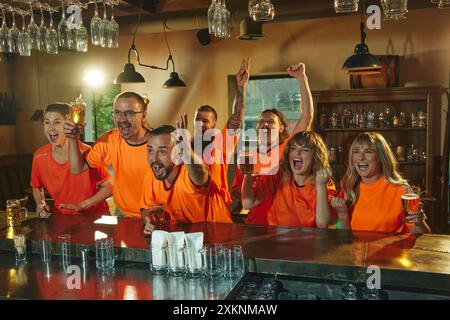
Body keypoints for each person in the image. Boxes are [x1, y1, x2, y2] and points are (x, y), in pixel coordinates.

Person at [231, 62, 314, 225]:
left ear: (282, 127)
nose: (265, 124)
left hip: (285, 226)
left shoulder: (288, 148)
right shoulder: (249, 157)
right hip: (255, 225)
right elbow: (237, 195)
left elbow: (307, 116)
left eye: (271, 122)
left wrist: (301, 78)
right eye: (261, 121)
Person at [141, 115, 233, 235]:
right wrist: (148, 220)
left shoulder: (189, 172)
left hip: (220, 241)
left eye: (162, 151)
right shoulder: (151, 175)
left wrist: (187, 152)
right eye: (150, 150)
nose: (154, 159)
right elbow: (146, 209)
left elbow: (199, 174)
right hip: (186, 241)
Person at [64, 91, 151, 218]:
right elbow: (77, 168)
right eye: (117, 113)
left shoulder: (158, 142)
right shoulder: (110, 139)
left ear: (143, 115)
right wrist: (73, 138)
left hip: (156, 214)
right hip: (123, 215)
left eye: (129, 113)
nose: (122, 119)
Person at [331, 132, 430, 234]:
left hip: (392, 250)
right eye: (356, 151)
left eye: (368, 151)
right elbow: (342, 238)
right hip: (355, 250)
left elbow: (421, 237)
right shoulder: (349, 188)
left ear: (380, 157)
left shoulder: (401, 191)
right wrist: (342, 214)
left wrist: (419, 222)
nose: (361, 157)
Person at [31, 103, 112, 218]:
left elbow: (108, 187)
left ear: (69, 124)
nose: (51, 128)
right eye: (47, 122)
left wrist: (82, 205)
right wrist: (40, 203)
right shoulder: (39, 156)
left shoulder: (88, 153)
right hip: (63, 218)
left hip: (95, 217)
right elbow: (37, 187)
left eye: (57, 122)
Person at [241, 131, 335, 228]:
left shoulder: (323, 181)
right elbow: (247, 204)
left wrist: (321, 185)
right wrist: (247, 173)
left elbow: (322, 224)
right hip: (276, 239)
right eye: (293, 148)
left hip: (308, 241)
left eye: (305, 150)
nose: (297, 153)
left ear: (315, 156)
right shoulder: (277, 175)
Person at [191, 58, 250, 208]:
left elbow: (237, 116)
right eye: (197, 119)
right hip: (190, 207)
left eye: (205, 121)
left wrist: (241, 88)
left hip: (216, 206)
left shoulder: (221, 143)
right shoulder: (184, 146)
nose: (200, 124)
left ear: (214, 124)